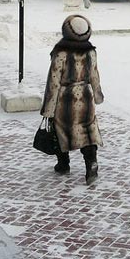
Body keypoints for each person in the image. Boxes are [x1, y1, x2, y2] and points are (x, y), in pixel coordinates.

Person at [41, 14, 104, 185]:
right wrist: (97, 95)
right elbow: (94, 76)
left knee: (60, 130)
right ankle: (91, 163)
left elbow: (53, 81)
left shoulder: (60, 52)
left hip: (64, 98)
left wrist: (49, 108)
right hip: (85, 96)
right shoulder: (90, 51)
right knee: (87, 130)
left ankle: (63, 164)